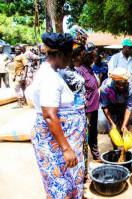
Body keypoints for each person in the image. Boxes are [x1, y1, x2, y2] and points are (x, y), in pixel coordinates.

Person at [27, 32, 85, 198]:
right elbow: (50, 115)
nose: (70, 59)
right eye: (69, 55)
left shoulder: (54, 72)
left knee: (64, 185)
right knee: (60, 187)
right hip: (56, 145)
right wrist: (66, 149)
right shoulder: (49, 78)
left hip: (59, 142)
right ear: (60, 54)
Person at [75, 43, 101, 162]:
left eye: (94, 57)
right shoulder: (80, 71)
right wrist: (87, 112)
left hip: (94, 108)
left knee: (93, 134)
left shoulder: (90, 69)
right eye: (92, 57)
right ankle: (83, 164)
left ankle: (96, 155)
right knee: (85, 136)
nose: (94, 59)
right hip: (87, 111)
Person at [100, 68, 132, 147]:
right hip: (111, 107)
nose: (121, 87)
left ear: (127, 82)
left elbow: (129, 107)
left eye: (124, 84)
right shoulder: (105, 88)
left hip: (124, 107)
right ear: (114, 81)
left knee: (125, 130)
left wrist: (124, 125)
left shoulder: (131, 88)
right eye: (118, 84)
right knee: (114, 132)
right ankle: (115, 150)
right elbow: (105, 106)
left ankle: (125, 150)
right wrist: (112, 123)